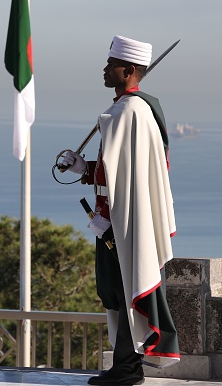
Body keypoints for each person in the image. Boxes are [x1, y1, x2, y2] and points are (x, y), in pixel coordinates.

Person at [62, 35, 180, 385]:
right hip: (112, 220)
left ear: (127, 70)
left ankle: (128, 369)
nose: (104, 69)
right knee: (114, 291)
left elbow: (125, 178)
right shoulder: (128, 110)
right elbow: (118, 170)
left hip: (120, 223)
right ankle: (125, 366)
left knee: (125, 289)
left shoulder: (130, 112)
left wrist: (112, 220)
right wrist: (84, 169)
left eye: (110, 65)